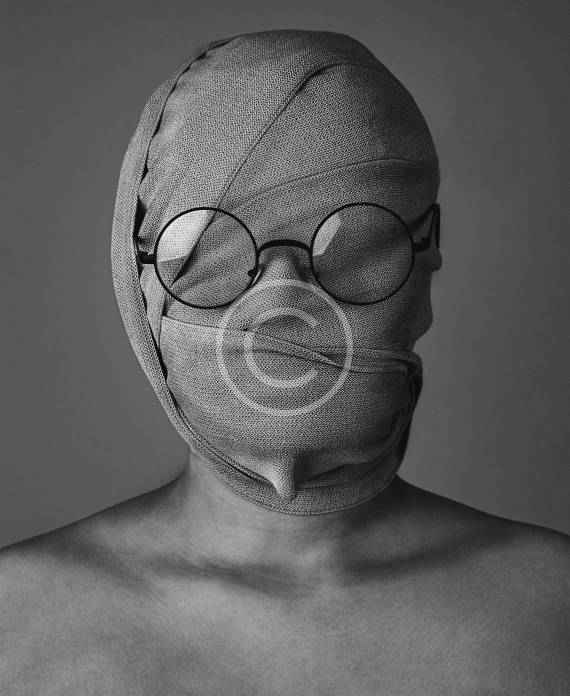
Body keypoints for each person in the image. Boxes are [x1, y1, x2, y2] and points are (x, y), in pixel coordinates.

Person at [1, 29, 568, 695]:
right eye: (215, 249)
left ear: (426, 255)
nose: (284, 302)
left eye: (352, 243)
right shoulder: (15, 623)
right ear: (139, 273)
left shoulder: (552, 610)